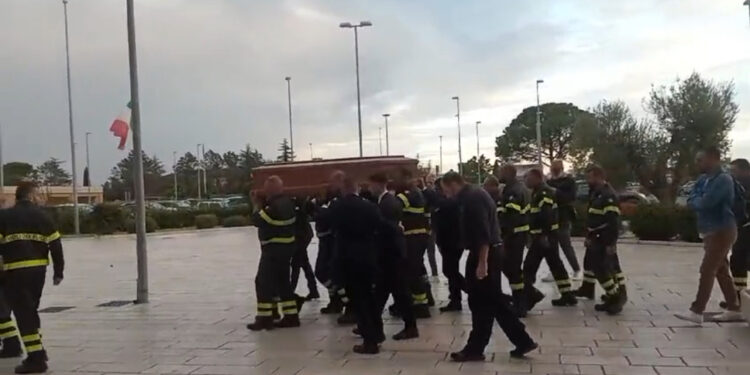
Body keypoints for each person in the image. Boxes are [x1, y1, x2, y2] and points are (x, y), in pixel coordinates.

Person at [441, 172, 537, 362]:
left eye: (446, 189)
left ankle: (479, 348)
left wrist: (482, 264)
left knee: (484, 301)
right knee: (488, 302)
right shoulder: (474, 195)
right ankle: (517, 341)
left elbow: (483, 233)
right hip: (488, 252)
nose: (446, 194)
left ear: (453, 184)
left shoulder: (472, 199)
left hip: (485, 253)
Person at [0, 181, 65, 374]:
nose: (40, 198)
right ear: (30, 195)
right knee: (31, 311)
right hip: (38, 272)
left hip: (14, 272)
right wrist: (58, 271)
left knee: (24, 314)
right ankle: (39, 351)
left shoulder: (4, 216)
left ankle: (36, 359)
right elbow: (56, 245)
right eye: (38, 194)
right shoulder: (43, 217)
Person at [676, 148, 742, 324]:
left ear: (713, 159)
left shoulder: (724, 180)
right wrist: (698, 200)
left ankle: (697, 311)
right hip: (708, 230)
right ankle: (734, 307)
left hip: (722, 230)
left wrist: (698, 200)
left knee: (707, 269)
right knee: (720, 269)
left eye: (700, 160)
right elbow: (691, 199)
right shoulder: (703, 179)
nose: (698, 163)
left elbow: (707, 203)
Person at [329, 177, 391, 354]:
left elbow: (326, 223)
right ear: (356, 188)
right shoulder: (369, 206)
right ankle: (377, 333)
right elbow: (382, 226)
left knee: (359, 302)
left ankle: (369, 341)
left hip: (348, 260)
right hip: (367, 258)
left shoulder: (337, 207)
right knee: (370, 299)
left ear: (343, 189)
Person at [247, 176, 302, 331]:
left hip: (273, 250)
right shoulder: (288, 203)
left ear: (270, 189)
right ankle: (291, 316)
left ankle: (265, 318)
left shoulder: (274, 207)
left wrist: (256, 205)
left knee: (263, 282)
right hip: (286, 249)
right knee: (283, 283)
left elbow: (257, 220)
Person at [369, 173, 419, 340]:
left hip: (391, 255)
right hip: (390, 255)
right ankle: (369, 326)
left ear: (378, 184)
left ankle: (410, 327)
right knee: (381, 294)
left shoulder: (387, 203)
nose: (369, 188)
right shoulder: (386, 201)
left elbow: (389, 229)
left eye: (371, 185)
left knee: (400, 293)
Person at [522, 169, 577, 307]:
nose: (525, 180)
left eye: (527, 177)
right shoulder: (538, 192)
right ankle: (567, 294)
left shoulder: (543, 193)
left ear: (536, 177)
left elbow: (547, 215)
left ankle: (529, 296)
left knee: (529, 267)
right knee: (556, 265)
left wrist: (543, 235)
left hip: (543, 237)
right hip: (546, 236)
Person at [577, 165, 626, 315]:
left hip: (604, 238)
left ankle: (616, 297)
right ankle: (613, 296)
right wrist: (588, 235)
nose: (588, 180)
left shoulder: (607, 195)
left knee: (602, 269)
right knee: (601, 267)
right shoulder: (596, 193)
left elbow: (613, 221)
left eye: (590, 177)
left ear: (598, 177)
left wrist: (611, 243)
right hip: (595, 237)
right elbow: (593, 218)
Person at [497, 165, 538, 317]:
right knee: (511, 269)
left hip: (514, 237)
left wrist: (505, 238)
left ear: (508, 173)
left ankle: (521, 304)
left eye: (501, 171)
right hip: (516, 236)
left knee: (512, 270)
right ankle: (529, 295)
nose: (498, 174)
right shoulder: (513, 189)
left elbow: (511, 218)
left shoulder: (513, 191)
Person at [396, 175, 432, 318]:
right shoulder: (420, 194)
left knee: (412, 271)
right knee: (418, 268)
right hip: (422, 235)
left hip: (411, 237)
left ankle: (421, 305)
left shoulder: (405, 195)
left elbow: (394, 209)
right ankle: (427, 298)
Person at [545, 160, 582, 281]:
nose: (554, 169)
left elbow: (571, 197)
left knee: (565, 245)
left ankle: (576, 269)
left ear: (561, 168)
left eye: (556, 167)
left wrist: (557, 192)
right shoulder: (549, 181)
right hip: (551, 217)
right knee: (552, 247)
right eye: (552, 167)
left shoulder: (569, 181)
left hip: (564, 216)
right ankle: (556, 272)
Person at [434, 177, 465, 312]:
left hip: (451, 242)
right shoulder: (448, 202)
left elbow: (444, 224)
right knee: (452, 271)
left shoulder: (448, 203)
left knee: (450, 271)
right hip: (450, 241)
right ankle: (455, 299)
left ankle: (472, 292)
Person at [729, 158, 750, 307]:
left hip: (747, 227)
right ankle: (739, 297)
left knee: (738, 260)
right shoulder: (738, 186)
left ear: (745, 171)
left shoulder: (745, 186)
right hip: (742, 227)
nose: (732, 174)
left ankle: (740, 299)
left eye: (734, 171)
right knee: (738, 261)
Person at [290, 196, 319, 300]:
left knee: (296, 263)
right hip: (303, 235)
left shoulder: (297, 201)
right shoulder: (298, 201)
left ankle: (290, 291)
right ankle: (313, 290)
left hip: (301, 236)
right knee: (303, 263)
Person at [421, 176, 440, 279]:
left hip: (434, 227)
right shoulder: (423, 194)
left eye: (431, 183)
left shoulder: (436, 195)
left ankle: (435, 272)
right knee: (428, 251)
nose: (429, 185)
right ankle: (432, 273)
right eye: (427, 182)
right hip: (426, 226)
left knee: (432, 251)